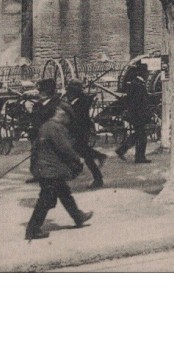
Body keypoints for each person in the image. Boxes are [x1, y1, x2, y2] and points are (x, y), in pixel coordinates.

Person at [25, 101, 92, 241]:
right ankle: (32, 230)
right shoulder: (55, 128)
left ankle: (78, 217)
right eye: (68, 118)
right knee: (46, 200)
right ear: (62, 114)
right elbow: (65, 147)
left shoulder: (46, 126)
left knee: (65, 194)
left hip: (46, 169)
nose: (68, 122)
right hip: (50, 170)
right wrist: (77, 158)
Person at [65, 78, 106, 189]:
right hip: (77, 130)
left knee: (84, 153)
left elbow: (78, 117)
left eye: (70, 91)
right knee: (82, 151)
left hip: (81, 130)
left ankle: (98, 178)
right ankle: (98, 157)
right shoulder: (77, 99)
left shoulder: (82, 101)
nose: (68, 93)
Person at [116, 64, 153, 163]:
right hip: (138, 115)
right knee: (142, 137)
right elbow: (137, 102)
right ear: (143, 73)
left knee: (138, 135)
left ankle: (122, 150)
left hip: (135, 115)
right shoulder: (139, 85)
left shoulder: (134, 83)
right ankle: (139, 157)